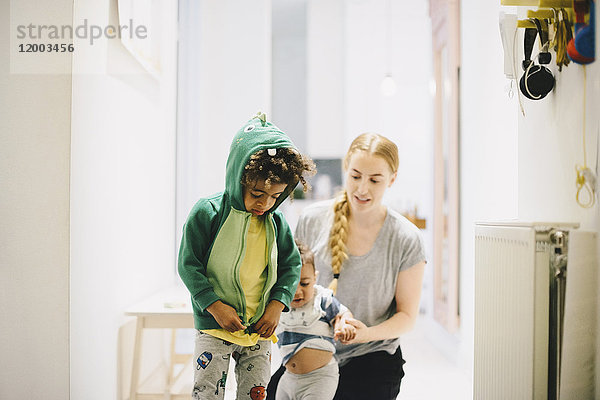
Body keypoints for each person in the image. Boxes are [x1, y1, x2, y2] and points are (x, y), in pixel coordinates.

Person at [178, 113, 316, 400]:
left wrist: (276, 306)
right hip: (214, 327)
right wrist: (215, 307)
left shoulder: (276, 223)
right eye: (256, 193)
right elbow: (188, 264)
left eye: (275, 196)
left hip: (258, 331)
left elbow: (292, 266)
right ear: (237, 177)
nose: (265, 203)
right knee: (206, 395)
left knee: (256, 395)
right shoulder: (208, 213)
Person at [294, 133, 427, 400]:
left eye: (375, 180)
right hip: (312, 353)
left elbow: (407, 317)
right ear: (346, 169)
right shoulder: (311, 220)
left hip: (372, 356)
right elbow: (293, 287)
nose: (362, 189)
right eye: (355, 176)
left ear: (392, 179)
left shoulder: (406, 238)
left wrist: (365, 335)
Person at [274, 240, 356, 400]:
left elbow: (343, 314)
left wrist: (344, 325)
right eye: (290, 285)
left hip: (320, 378)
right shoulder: (277, 303)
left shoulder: (322, 299)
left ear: (315, 278)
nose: (297, 291)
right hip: (288, 377)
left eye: (304, 283)